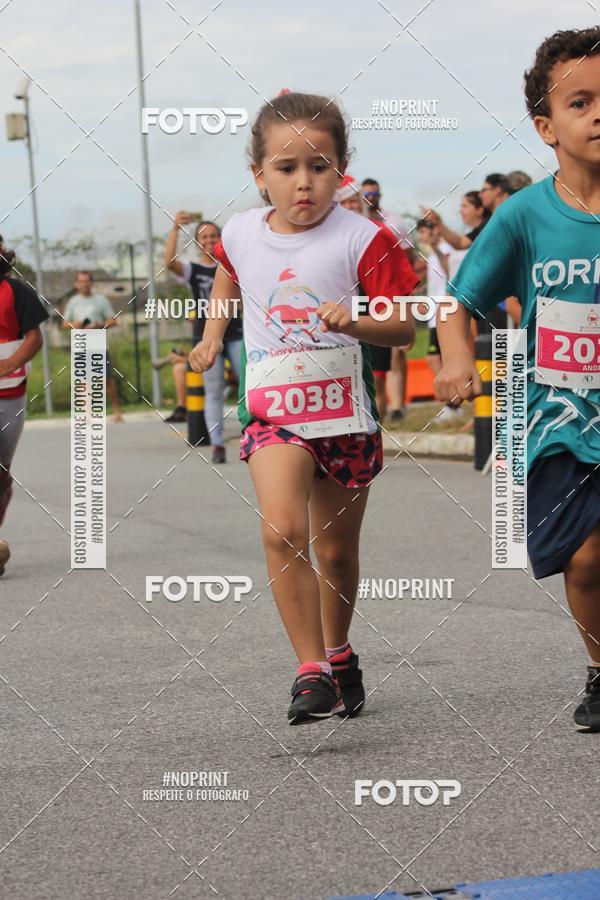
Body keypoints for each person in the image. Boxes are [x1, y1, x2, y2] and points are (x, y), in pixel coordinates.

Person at [189, 90, 418, 725]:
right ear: (258, 174)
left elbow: (404, 328)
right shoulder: (237, 230)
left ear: (341, 169)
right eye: (285, 168)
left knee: (336, 552)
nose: (303, 183)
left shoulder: (365, 238)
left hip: (344, 413)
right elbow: (232, 271)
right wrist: (212, 336)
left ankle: (340, 652)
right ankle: (310, 670)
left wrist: (361, 320)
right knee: (281, 529)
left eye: (319, 166)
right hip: (274, 409)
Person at [433, 26, 600, 731]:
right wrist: (458, 358)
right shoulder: (526, 216)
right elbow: (456, 303)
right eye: (581, 101)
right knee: (587, 560)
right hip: (561, 415)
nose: (599, 115)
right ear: (547, 126)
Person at [164, 214, 242, 463]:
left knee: (250, 382)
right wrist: (176, 228)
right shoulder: (193, 269)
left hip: (236, 331)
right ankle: (218, 444)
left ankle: (257, 434)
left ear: (221, 239)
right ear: (198, 242)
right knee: (214, 390)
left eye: (213, 236)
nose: (209, 240)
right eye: (204, 236)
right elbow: (169, 263)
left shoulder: (232, 265)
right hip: (205, 335)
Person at [0, 236, 49, 575]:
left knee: (1, 475)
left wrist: (7, 364)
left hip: (9, 393)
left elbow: (34, 337)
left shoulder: (16, 291)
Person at [361, 178, 416, 420]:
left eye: (374, 193)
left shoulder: (394, 222)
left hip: (388, 295)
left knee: (393, 355)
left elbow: (409, 260)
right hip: (359, 299)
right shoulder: (352, 222)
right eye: (366, 194)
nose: (370, 198)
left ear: (380, 194)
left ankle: (395, 408)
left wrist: (405, 297)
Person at [63, 271, 123, 422]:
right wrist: (75, 324)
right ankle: (85, 414)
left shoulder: (101, 300)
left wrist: (100, 325)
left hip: (98, 343)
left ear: (92, 283)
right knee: (83, 380)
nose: (84, 284)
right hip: (81, 344)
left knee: (106, 380)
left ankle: (117, 411)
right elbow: (64, 323)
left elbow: (113, 320)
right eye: (81, 281)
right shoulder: (73, 302)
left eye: (87, 281)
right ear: (77, 284)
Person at [415, 219, 460, 421]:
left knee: (438, 359)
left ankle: (453, 403)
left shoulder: (445, 248)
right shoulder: (432, 253)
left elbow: (451, 270)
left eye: (424, 232)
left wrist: (437, 249)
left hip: (446, 311)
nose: (422, 237)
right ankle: (451, 402)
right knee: (437, 359)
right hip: (434, 312)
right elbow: (438, 281)